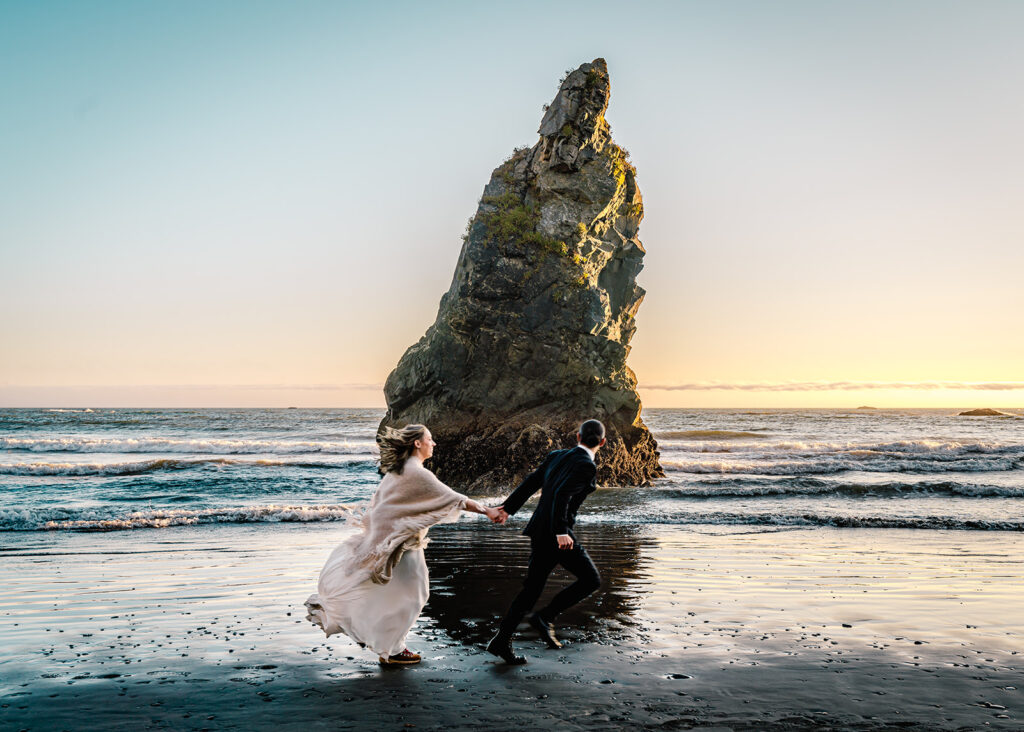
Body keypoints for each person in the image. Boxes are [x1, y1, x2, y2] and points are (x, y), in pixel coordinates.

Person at [305, 424, 504, 666]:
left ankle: (383, 643)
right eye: (430, 439)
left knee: (393, 592)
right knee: (415, 594)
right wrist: (488, 511)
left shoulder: (398, 471)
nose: (434, 444)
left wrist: (382, 535)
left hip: (395, 541)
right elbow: (454, 499)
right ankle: (392, 649)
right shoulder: (416, 472)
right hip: (401, 543)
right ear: (417, 443)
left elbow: (382, 507)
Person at [486, 419, 606, 664]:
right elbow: (562, 494)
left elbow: (531, 482)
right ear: (602, 442)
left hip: (540, 531)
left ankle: (502, 640)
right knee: (590, 580)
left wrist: (508, 508)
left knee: (531, 590)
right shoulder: (586, 465)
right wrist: (561, 530)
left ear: (577, 436)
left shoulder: (556, 456)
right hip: (556, 534)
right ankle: (545, 617)